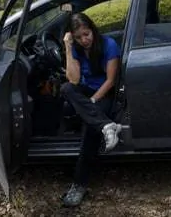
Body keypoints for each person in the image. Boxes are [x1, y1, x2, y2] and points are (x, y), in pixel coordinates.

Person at [59, 12, 123, 207]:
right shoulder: (76, 47)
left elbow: (111, 81)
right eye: (78, 37)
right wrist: (68, 47)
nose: (84, 40)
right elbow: (74, 80)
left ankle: (78, 185)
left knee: (89, 126)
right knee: (66, 88)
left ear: (92, 29)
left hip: (105, 94)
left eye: (86, 34)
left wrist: (92, 102)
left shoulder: (108, 45)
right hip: (87, 93)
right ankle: (107, 127)